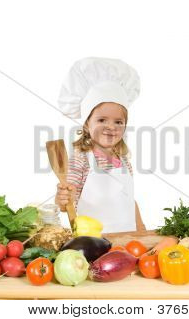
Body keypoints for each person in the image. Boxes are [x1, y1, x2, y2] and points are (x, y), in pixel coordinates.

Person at [54, 57, 146, 233]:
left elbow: (129, 200)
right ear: (87, 124)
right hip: (95, 243)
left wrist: (141, 228)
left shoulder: (124, 160)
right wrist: (62, 198)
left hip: (129, 241)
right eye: (102, 119)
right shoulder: (81, 159)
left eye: (119, 122)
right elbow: (68, 204)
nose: (111, 127)